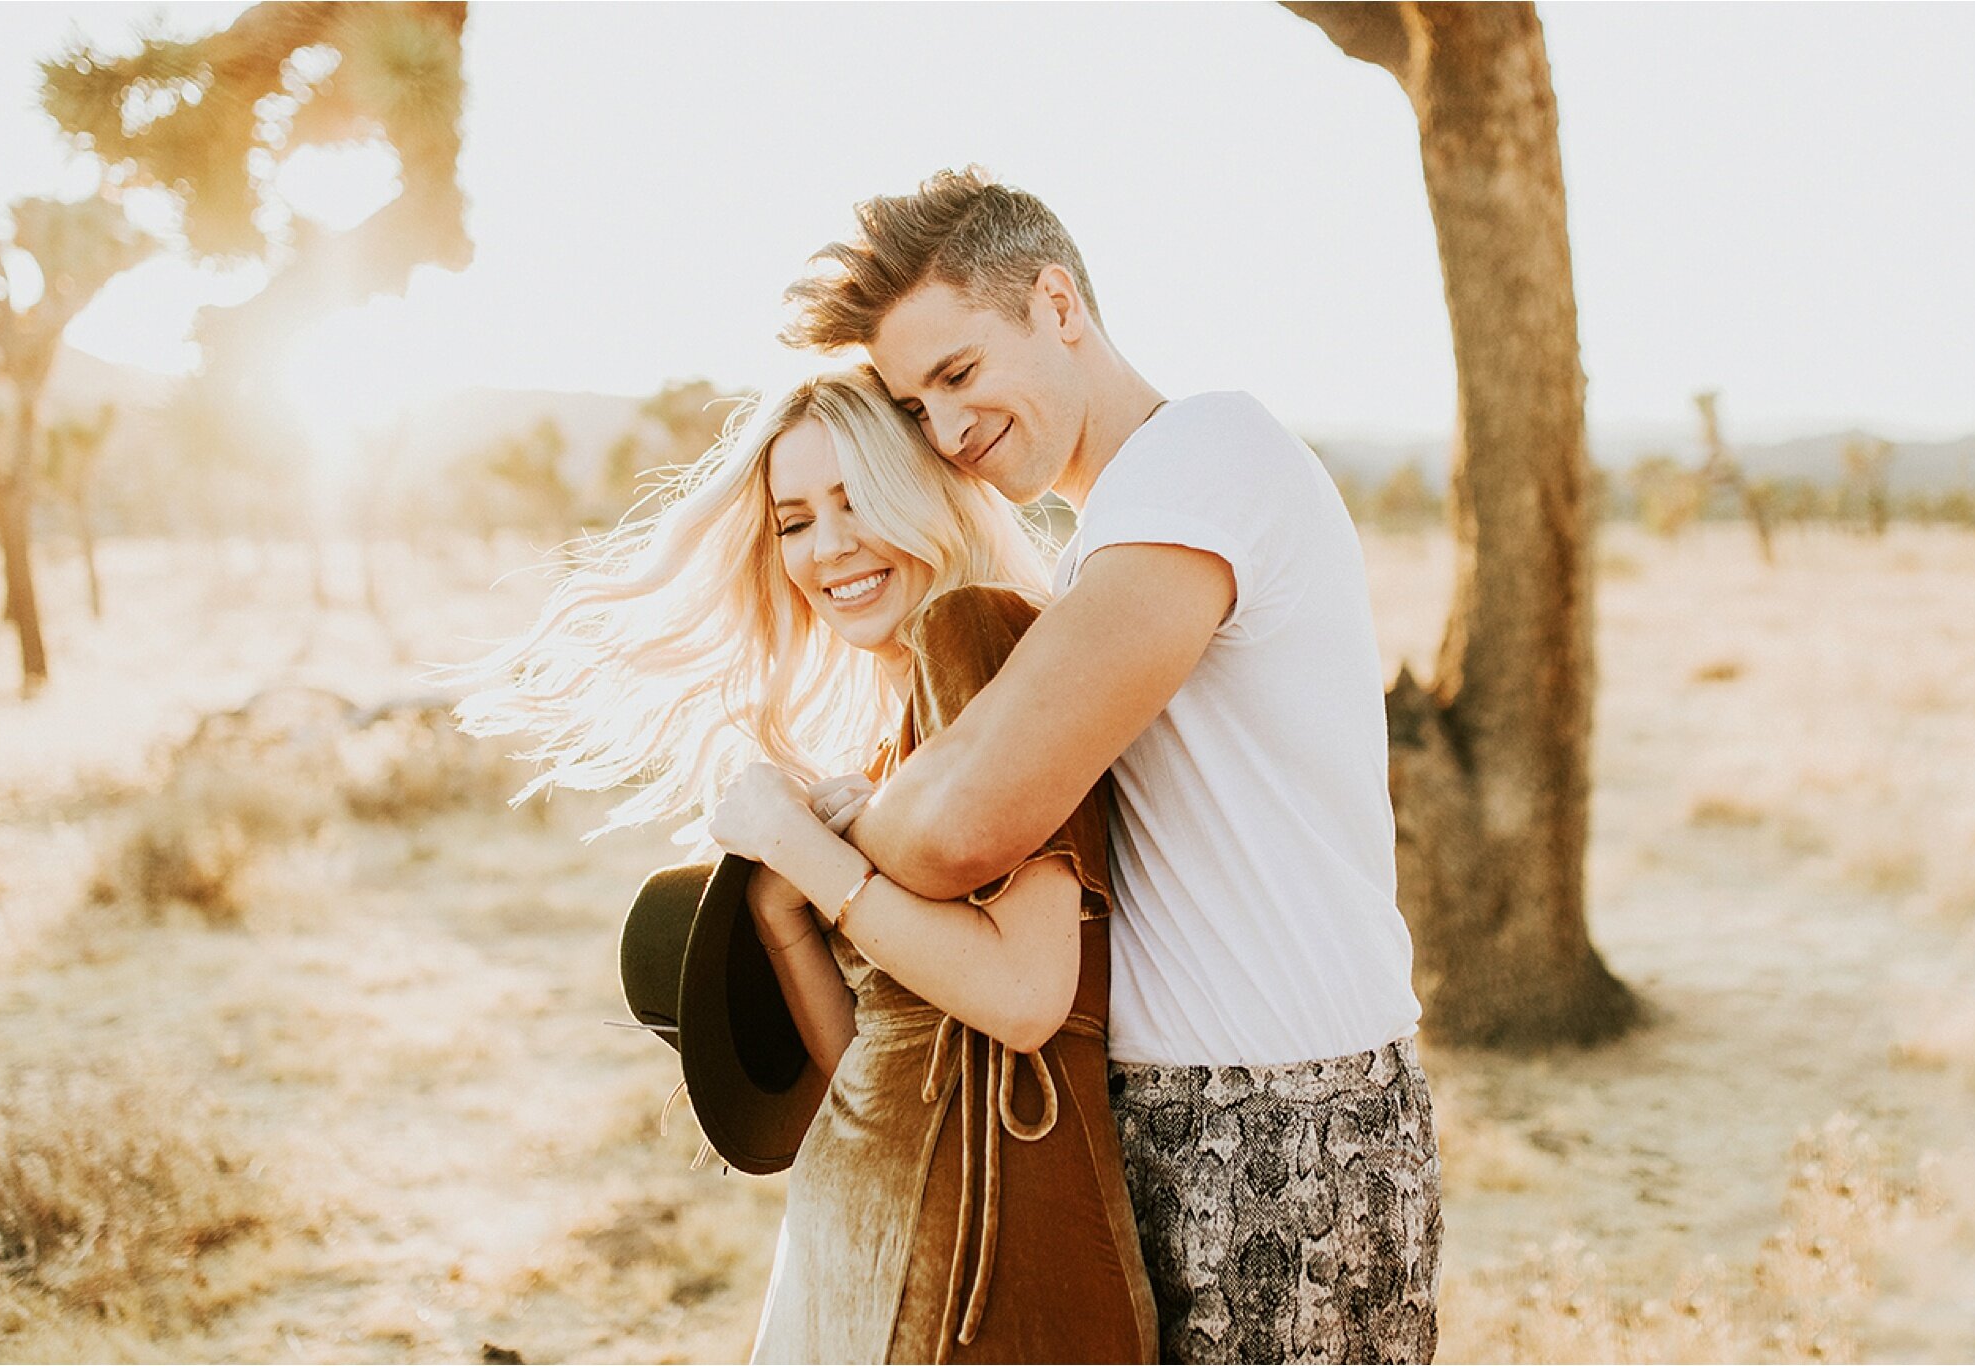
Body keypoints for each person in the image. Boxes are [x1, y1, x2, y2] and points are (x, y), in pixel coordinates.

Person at [779, 168, 1443, 1364]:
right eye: (916, 407)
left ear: (1056, 301)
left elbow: (965, 819)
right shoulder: (1112, 531)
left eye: (959, 373)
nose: (945, 428)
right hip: (1165, 1118)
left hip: (1281, 1130)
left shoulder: (1204, 459)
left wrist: (820, 835)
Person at [451, 370, 1155, 1364]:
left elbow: (1027, 993)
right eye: (792, 521)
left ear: (929, 497)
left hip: (970, 1258)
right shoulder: (888, 741)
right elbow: (869, 1063)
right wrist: (785, 912)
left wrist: (802, 852)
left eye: (854, 498)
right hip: (852, 1224)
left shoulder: (981, 642)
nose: (826, 547)